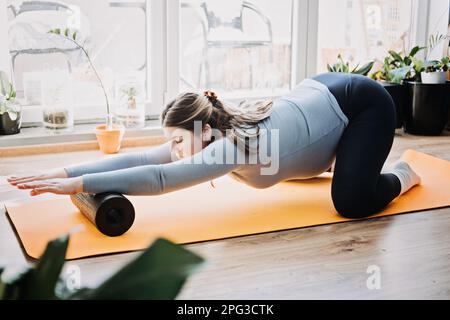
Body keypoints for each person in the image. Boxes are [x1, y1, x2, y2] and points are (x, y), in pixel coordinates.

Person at [8, 73, 421, 219]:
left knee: (350, 201)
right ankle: (339, 159)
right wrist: (63, 172)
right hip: (321, 90)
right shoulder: (213, 130)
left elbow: (159, 176)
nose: (170, 149)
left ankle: (402, 174)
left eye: (175, 140)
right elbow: (144, 158)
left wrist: (77, 188)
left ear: (203, 133)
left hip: (363, 104)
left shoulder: (234, 147)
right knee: (304, 165)